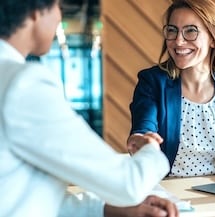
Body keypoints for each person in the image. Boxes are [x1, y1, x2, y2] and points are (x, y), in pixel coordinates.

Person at [0, 0, 179, 217]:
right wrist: (151, 149)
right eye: (58, 7)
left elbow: (18, 195)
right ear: (36, 12)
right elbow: (129, 185)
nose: (59, 17)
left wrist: (107, 209)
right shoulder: (24, 83)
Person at [127, 0, 215, 177]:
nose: (178, 41)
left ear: (213, 39)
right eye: (172, 30)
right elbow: (144, 127)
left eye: (191, 31)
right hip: (165, 191)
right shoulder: (153, 81)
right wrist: (141, 140)